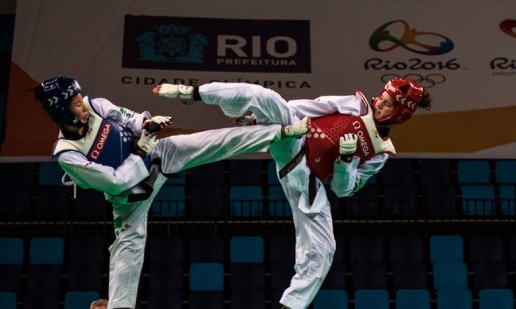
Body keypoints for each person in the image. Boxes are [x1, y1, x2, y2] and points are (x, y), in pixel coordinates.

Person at [33, 76, 310, 309]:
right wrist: (140, 150)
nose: (83, 105)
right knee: (128, 247)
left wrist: (147, 125)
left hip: (158, 155)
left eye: (80, 99)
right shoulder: (68, 154)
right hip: (131, 196)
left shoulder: (96, 106)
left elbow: (129, 119)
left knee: (211, 142)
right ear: (61, 110)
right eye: (76, 103)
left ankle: (280, 132)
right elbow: (115, 182)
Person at [154, 77, 432, 309]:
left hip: (309, 181)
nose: (380, 103)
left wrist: (347, 162)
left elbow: (343, 190)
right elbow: (313, 106)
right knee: (264, 96)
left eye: (389, 104)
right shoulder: (357, 104)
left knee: (324, 249)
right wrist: (257, 121)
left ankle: (291, 305)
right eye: (383, 97)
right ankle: (192, 92)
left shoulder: (381, 152)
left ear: (400, 114)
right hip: (295, 139)